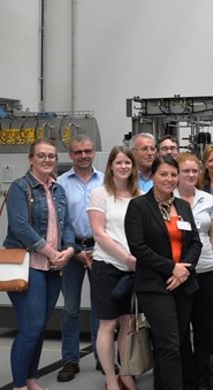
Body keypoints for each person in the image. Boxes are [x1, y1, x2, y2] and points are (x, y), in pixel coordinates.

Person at [4, 139, 76, 390]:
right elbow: (20, 227)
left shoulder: (58, 189)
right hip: (28, 265)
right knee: (30, 327)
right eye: (42, 155)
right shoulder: (19, 187)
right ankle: (19, 384)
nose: (47, 160)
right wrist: (51, 252)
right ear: (31, 159)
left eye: (51, 156)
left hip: (53, 268)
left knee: (40, 326)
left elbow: (67, 224)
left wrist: (68, 250)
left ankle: (31, 378)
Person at [125, 155, 202, 390]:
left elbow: (195, 242)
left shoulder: (183, 206)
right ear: (152, 176)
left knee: (171, 344)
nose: (169, 179)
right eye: (163, 174)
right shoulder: (139, 206)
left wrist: (183, 270)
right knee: (169, 345)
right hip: (155, 285)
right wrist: (171, 268)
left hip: (183, 283)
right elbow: (138, 247)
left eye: (173, 174)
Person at [87, 145, 142, 390]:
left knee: (128, 324)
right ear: (110, 166)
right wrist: (126, 258)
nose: (123, 166)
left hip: (133, 271)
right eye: (118, 162)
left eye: (127, 162)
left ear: (133, 166)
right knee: (108, 325)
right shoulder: (100, 194)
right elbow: (99, 234)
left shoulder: (140, 196)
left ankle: (127, 374)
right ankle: (111, 378)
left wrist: (137, 261)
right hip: (107, 267)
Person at [56, 135, 104, 383]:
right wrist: (75, 251)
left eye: (87, 151)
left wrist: (101, 248)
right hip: (71, 251)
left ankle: (102, 356)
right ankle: (70, 360)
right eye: (78, 152)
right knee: (70, 309)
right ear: (70, 155)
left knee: (101, 307)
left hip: (101, 251)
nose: (83, 155)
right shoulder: (60, 183)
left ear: (94, 152)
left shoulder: (106, 181)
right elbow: (59, 222)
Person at [176, 152, 213, 390]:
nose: (191, 175)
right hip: (179, 272)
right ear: (176, 173)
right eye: (186, 171)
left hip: (205, 269)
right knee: (182, 328)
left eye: (195, 171)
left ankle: (203, 378)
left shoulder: (207, 199)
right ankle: (186, 378)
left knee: (205, 326)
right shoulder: (169, 199)